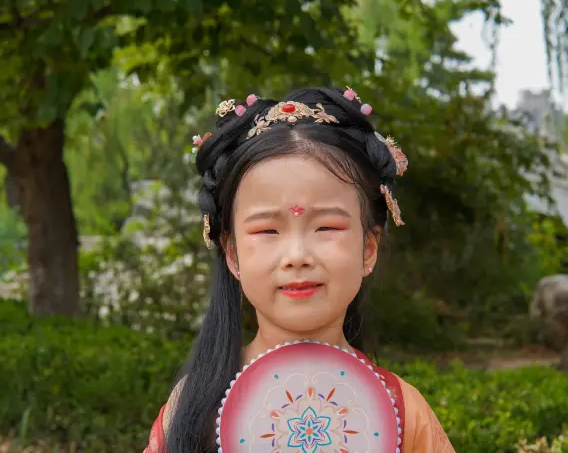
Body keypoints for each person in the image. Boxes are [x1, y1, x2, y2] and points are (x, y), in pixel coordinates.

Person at [144, 87, 455, 452]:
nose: (297, 255)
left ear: (368, 249)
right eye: (267, 231)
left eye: (326, 228)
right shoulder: (192, 409)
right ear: (233, 254)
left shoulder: (405, 410)